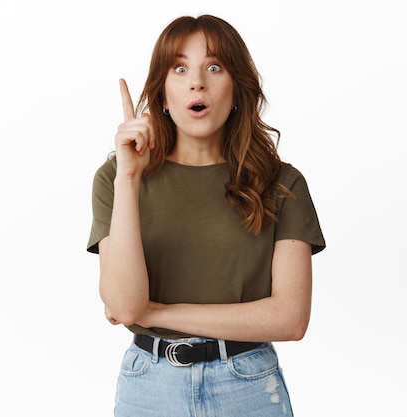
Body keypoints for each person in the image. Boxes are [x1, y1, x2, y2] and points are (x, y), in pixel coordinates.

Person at [87, 14, 325, 417]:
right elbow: (127, 307)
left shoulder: (282, 183)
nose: (197, 81)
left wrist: (157, 313)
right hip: (150, 387)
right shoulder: (117, 177)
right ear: (162, 94)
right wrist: (129, 177)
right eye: (179, 69)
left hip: (248, 387)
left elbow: (289, 318)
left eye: (214, 67)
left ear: (237, 90)